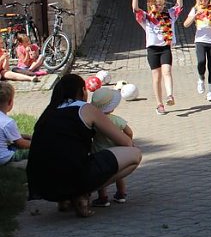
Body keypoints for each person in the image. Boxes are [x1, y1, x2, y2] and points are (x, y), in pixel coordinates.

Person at [26, 74, 141, 218]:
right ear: (82, 91)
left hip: (41, 185)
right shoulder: (85, 109)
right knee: (134, 154)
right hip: (73, 176)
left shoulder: (48, 112)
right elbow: (126, 142)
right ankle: (81, 193)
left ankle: (65, 199)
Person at [133, 0, 183, 115]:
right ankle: (159, 104)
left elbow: (179, 6)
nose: (160, 7)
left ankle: (170, 96)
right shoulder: (146, 18)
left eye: (161, 5)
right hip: (152, 50)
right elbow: (135, 9)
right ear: (150, 5)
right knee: (156, 77)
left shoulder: (169, 16)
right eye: (157, 5)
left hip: (165, 48)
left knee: (167, 71)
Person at [90, 87, 133, 207]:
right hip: (116, 151)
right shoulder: (117, 120)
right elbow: (128, 131)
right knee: (119, 174)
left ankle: (103, 198)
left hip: (99, 152)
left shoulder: (94, 122)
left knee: (102, 177)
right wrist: (128, 141)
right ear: (112, 107)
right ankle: (121, 194)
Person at [183, 0, 211, 102]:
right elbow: (186, 24)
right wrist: (195, 15)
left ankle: (210, 92)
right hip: (200, 40)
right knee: (201, 62)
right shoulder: (194, 9)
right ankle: (200, 78)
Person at [0, 83, 30, 166]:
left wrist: (25, 136)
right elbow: (21, 143)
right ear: (10, 102)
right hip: (3, 158)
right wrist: (37, 143)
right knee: (37, 150)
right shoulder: (7, 122)